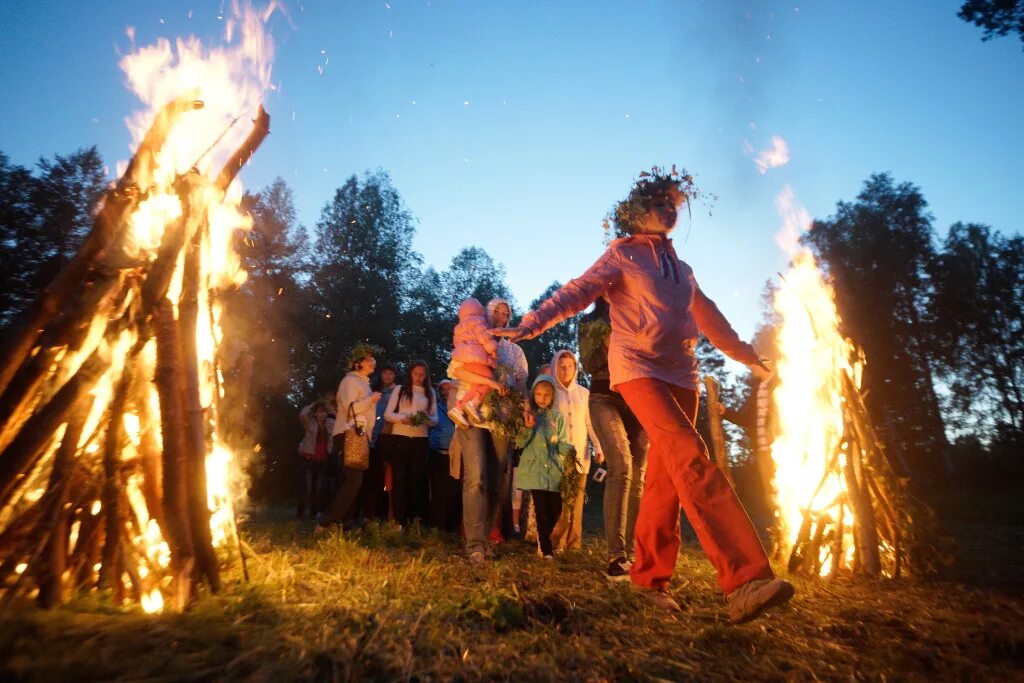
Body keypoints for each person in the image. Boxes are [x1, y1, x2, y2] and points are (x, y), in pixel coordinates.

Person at [493, 168, 794, 623]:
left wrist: (750, 358)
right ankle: (746, 579)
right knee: (691, 456)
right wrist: (531, 323)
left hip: (682, 376)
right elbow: (576, 293)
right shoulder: (622, 255)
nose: (670, 209)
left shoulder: (683, 271)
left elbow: (711, 318)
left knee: (666, 479)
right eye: (660, 202)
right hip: (637, 370)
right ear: (637, 211)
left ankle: (649, 580)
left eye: (675, 203)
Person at [448, 297, 528, 562]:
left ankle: (485, 535)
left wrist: (525, 407)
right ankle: (474, 544)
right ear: (488, 313)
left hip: (501, 419)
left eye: (507, 313)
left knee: (495, 483)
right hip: (471, 414)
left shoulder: (514, 352)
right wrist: (488, 383)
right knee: (477, 476)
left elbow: (520, 384)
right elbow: (459, 372)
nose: (502, 316)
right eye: (498, 311)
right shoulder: (470, 337)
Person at [579, 296, 649, 579]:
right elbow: (588, 362)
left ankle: (635, 554)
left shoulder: (638, 315)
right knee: (621, 466)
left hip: (639, 398)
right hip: (604, 394)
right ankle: (616, 556)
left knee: (639, 476)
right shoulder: (588, 322)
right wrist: (608, 346)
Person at [318, 344, 383, 530]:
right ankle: (327, 520)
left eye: (373, 360)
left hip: (359, 436)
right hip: (348, 433)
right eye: (368, 359)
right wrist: (371, 400)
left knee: (351, 480)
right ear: (357, 363)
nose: (373, 363)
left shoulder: (363, 382)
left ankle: (345, 522)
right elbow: (350, 408)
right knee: (353, 480)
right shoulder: (350, 381)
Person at [548, 349, 603, 552]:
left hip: (581, 456)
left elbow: (591, 423)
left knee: (577, 503)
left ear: (575, 368)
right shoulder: (551, 391)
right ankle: (557, 542)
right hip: (558, 457)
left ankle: (574, 544)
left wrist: (598, 446)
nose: (565, 370)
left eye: (569, 366)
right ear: (555, 367)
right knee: (561, 502)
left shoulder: (583, 393)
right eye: (561, 366)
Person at [514, 374, 572, 558]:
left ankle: (546, 539)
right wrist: (528, 428)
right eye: (538, 394)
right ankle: (545, 548)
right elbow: (519, 442)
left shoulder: (557, 417)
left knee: (556, 509)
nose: (542, 398)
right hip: (535, 470)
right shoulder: (528, 414)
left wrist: (569, 451)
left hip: (553, 470)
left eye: (546, 395)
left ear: (553, 396)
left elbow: (562, 440)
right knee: (541, 510)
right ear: (533, 395)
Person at [383, 360, 438, 526]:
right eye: (416, 374)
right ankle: (399, 520)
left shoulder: (430, 393)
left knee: (417, 481)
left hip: (420, 440)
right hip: (400, 438)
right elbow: (388, 414)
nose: (419, 377)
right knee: (400, 479)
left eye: (422, 374)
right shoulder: (400, 390)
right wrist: (403, 419)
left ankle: (415, 520)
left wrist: (426, 419)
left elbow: (435, 419)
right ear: (410, 374)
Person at [448, 298, 499, 428]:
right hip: (476, 358)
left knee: (476, 385)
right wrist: (493, 350)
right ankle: (474, 404)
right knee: (490, 379)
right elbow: (485, 338)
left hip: (466, 360)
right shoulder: (479, 321)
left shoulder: (459, 327)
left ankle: (459, 409)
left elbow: (457, 343)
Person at [360, 363, 398, 522]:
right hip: (371, 437)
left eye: (391, 373)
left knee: (387, 476)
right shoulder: (374, 391)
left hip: (388, 438)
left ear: (395, 376)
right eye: (385, 373)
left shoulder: (398, 392)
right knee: (371, 476)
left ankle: (385, 514)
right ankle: (369, 513)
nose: (387, 376)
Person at [428, 380, 461, 530]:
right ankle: (437, 524)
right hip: (437, 452)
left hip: (455, 454)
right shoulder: (436, 408)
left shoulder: (460, 408)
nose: (446, 392)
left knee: (453, 490)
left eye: (449, 388)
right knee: (438, 489)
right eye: (443, 389)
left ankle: (452, 524)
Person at [297, 401, 334, 519]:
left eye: (323, 411)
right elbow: (302, 415)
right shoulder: (310, 424)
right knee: (307, 488)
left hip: (322, 460)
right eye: (319, 412)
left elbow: (340, 420)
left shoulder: (330, 424)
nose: (322, 414)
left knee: (317, 489)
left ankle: (313, 513)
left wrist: (330, 408)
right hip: (309, 459)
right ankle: (300, 514)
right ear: (315, 413)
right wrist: (311, 405)